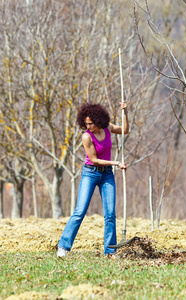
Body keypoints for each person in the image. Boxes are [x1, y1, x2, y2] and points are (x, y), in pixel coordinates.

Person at [57, 101, 129, 257]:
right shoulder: (86, 137)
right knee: (80, 211)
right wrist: (116, 163)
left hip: (107, 174)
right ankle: (63, 246)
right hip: (91, 173)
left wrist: (125, 112)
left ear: (98, 120)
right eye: (86, 123)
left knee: (110, 214)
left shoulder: (108, 128)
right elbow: (94, 160)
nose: (88, 126)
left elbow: (124, 130)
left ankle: (110, 251)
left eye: (90, 123)